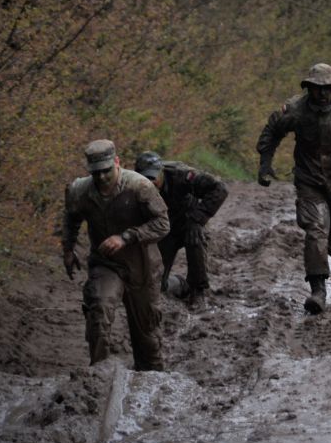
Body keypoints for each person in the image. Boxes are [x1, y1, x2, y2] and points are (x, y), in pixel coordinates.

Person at [256, 63, 331, 315]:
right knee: (315, 230)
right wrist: (265, 163)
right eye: (316, 89)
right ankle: (317, 289)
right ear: (308, 88)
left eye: (327, 89)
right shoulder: (295, 109)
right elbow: (272, 130)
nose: (322, 94)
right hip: (310, 180)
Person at [62, 139, 170, 371]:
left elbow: (163, 224)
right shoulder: (79, 190)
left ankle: (152, 381)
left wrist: (127, 237)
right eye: (96, 173)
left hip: (143, 265)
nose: (101, 178)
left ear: (117, 163)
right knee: (98, 310)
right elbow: (71, 217)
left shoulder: (139, 186)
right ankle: (98, 375)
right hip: (106, 264)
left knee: (147, 335)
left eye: (106, 171)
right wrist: (68, 249)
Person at [134, 151, 228, 309]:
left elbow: (219, 188)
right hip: (164, 230)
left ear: (161, 172)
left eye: (153, 178)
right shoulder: (132, 185)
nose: (150, 184)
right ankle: (182, 286)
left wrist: (197, 219)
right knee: (156, 286)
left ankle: (198, 291)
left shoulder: (180, 175)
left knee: (195, 238)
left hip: (189, 221)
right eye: (145, 179)